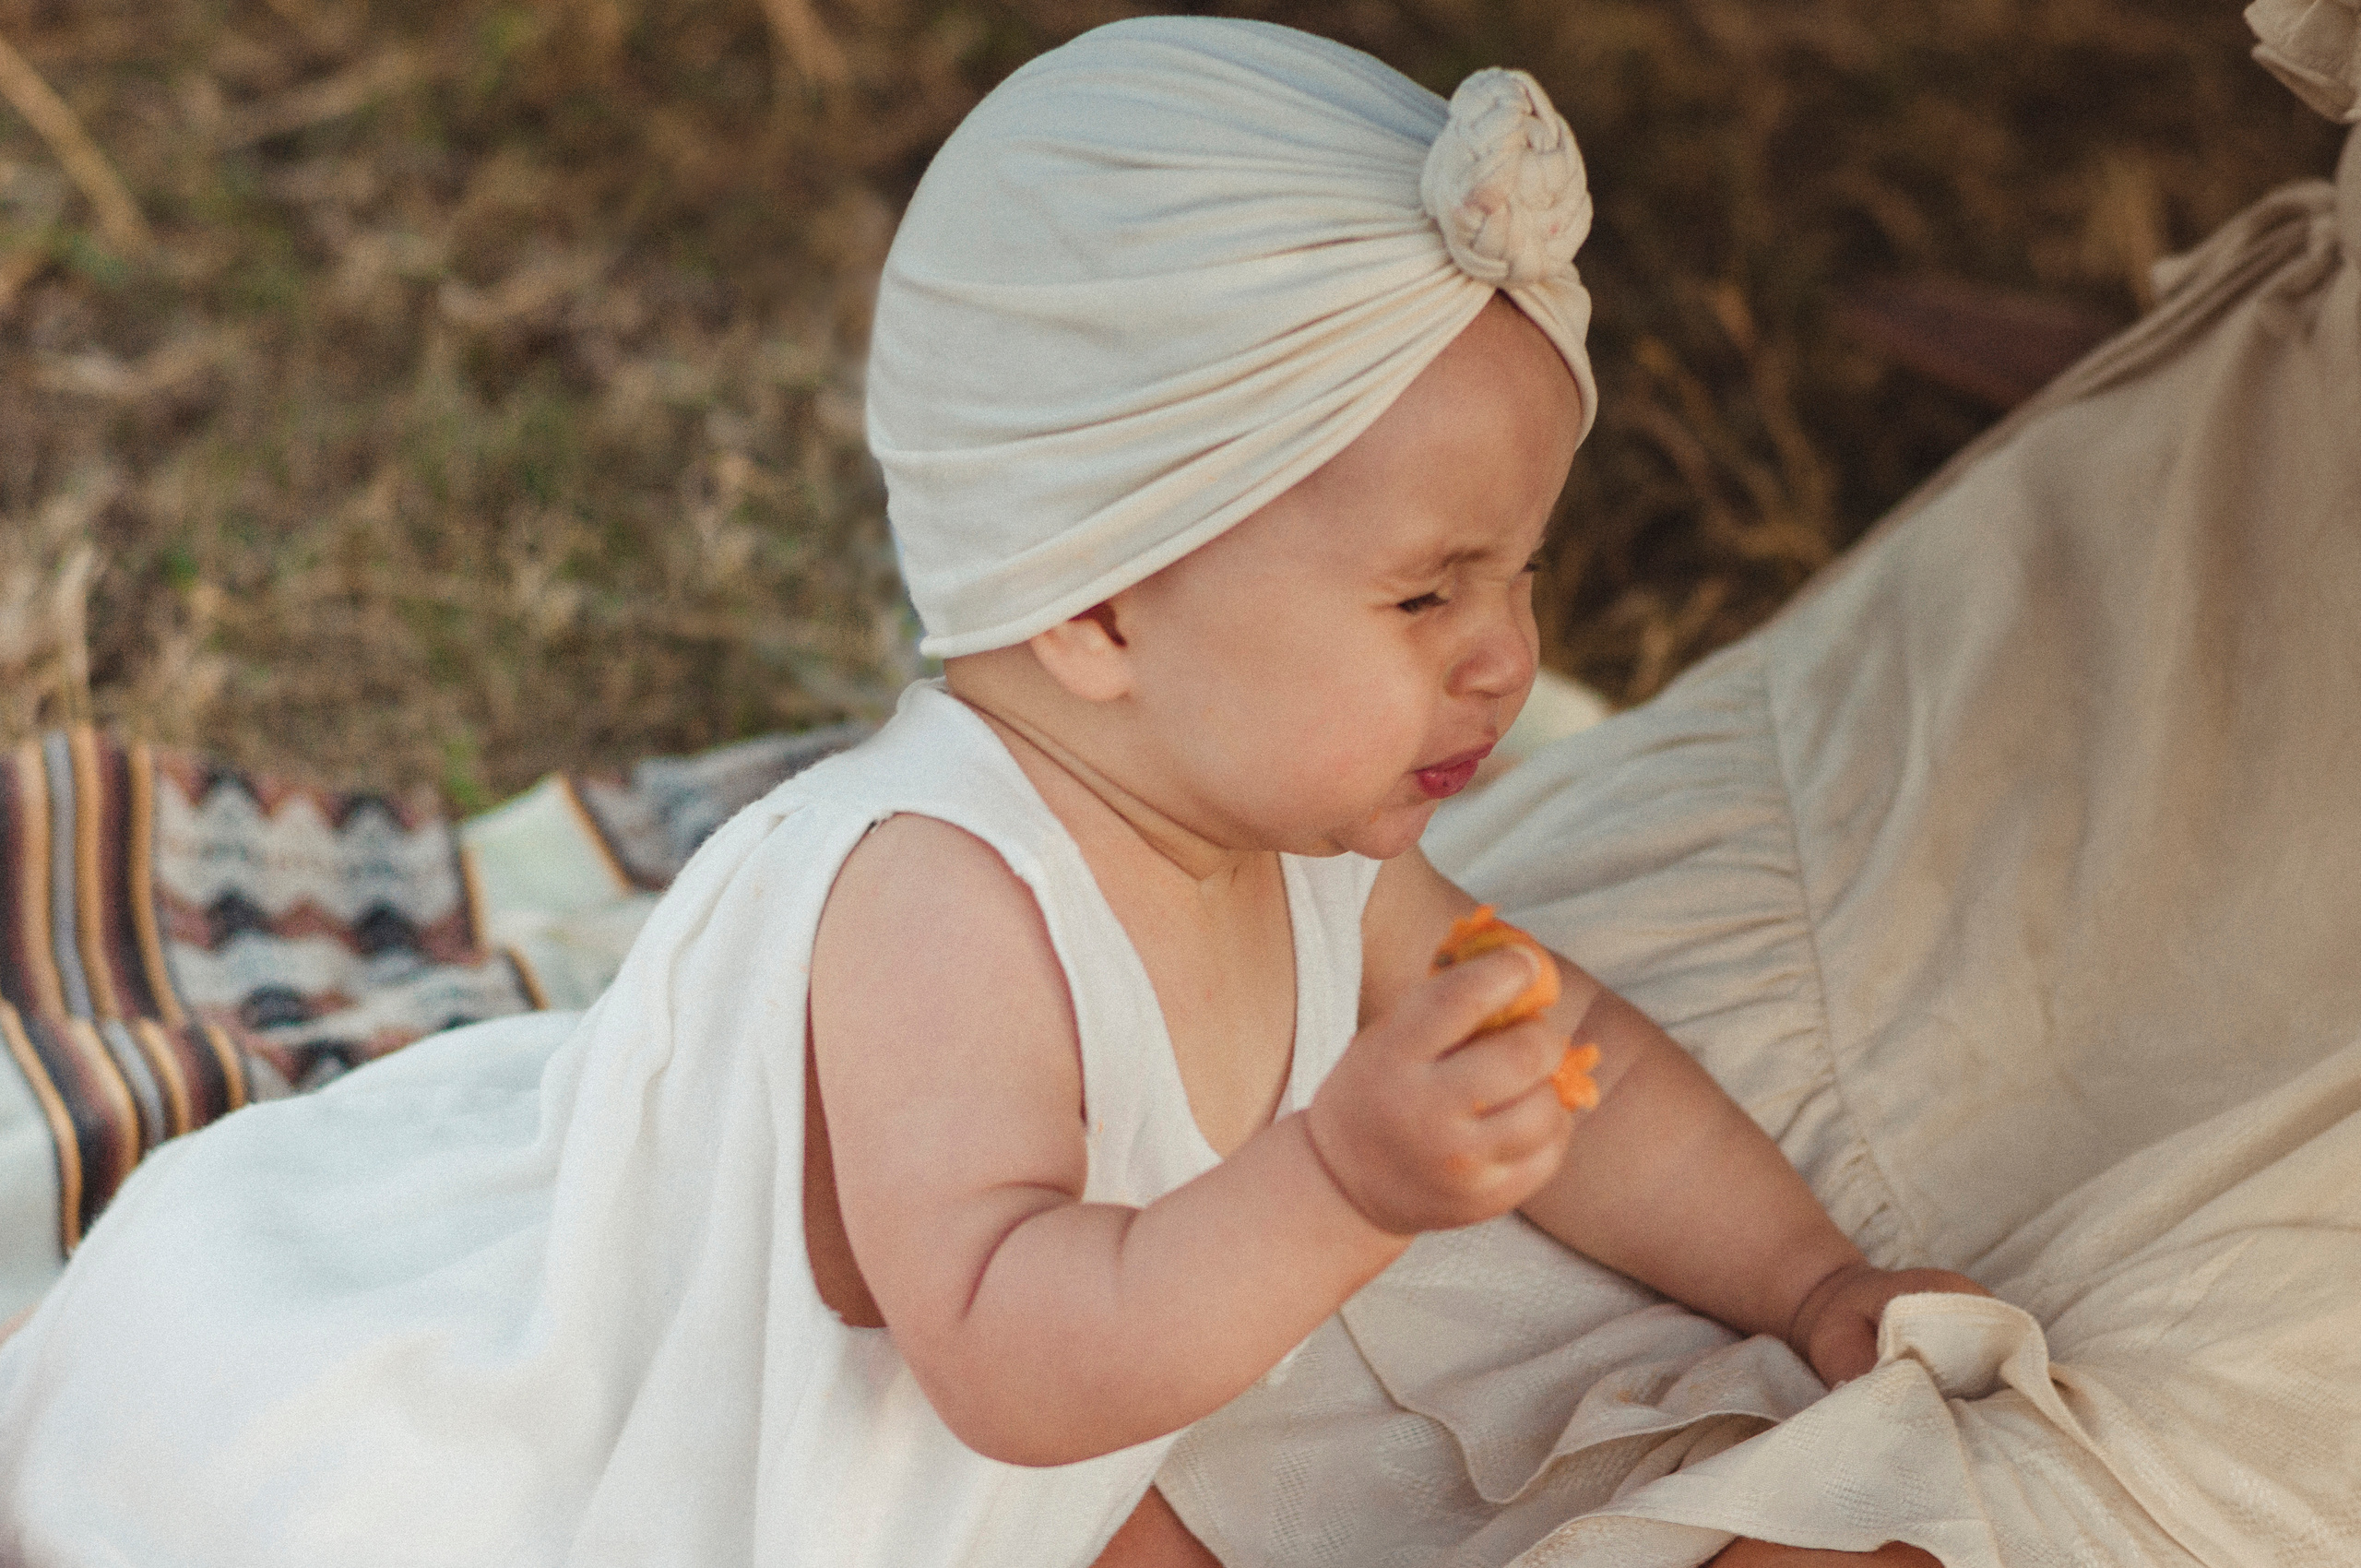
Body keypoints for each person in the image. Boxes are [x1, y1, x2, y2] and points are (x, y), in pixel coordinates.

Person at [0, 18, 1980, 1568]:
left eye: (1519, 572)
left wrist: (1804, 1280)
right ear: (1100, 613)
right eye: (1423, 593)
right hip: (684, 1441)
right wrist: (1339, 1182)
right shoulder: (943, 905)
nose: (1502, 658)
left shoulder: (1304, 839)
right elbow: (1013, 1366)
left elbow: (1578, 1058)